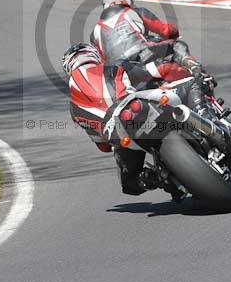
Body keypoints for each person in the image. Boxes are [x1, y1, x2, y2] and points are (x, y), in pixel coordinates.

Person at [62, 42, 186, 200]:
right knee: (192, 84)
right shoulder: (112, 67)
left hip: (116, 133)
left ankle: (159, 178)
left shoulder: (73, 106)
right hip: (135, 106)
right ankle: (203, 114)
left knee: (130, 184)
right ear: (94, 55)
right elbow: (159, 70)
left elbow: (102, 146)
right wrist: (186, 73)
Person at [90, 0, 215, 118]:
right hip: (143, 58)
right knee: (177, 46)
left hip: (121, 77)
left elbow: (101, 61)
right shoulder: (135, 12)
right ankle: (197, 75)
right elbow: (165, 30)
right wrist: (173, 33)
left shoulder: (94, 33)